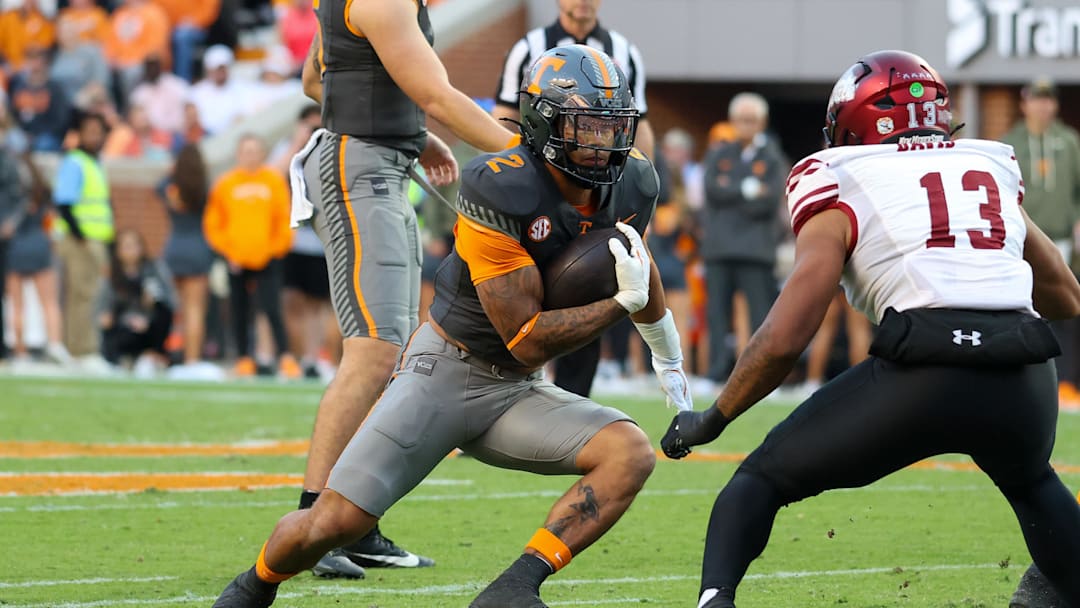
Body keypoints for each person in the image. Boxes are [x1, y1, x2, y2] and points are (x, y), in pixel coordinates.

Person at [212, 44, 691, 608]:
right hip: (443, 372)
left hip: (518, 391)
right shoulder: (498, 185)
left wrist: (671, 361)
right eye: (584, 126)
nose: (600, 142)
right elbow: (527, 334)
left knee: (629, 453)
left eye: (610, 127)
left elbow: (636, 264)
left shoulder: (633, 182)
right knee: (329, 525)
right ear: (543, 121)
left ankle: (513, 590)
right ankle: (254, 585)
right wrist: (618, 304)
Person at [659, 50, 1080, 608]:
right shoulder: (988, 164)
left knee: (757, 481)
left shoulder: (839, 173)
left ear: (853, 125)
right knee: (1032, 483)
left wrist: (715, 417)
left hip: (923, 370)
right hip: (1025, 374)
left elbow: (789, 330)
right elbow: (1065, 296)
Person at [277, 0, 520, 577]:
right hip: (361, 170)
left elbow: (318, 75)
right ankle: (315, 524)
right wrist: (528, 159)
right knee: (375, 351)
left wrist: (409, 130)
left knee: (390, 350)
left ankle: (353, 524)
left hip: (377, 163)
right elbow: (436, 95)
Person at [492, 0, 655, 398]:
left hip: (596, 189)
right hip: (540, 188)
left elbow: (639, 125)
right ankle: (495, 395)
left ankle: (572, 404)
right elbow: (503, 117)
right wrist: (512, 178)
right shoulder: (528, 46)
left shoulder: (623, 50)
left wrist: (639, 182)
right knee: (518, 291)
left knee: (589, 284)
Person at [1001, 78, 1080, 408]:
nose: (1043, 106)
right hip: (1027, 243)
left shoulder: (1070, 141)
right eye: (1037, 100)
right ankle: (1026, 381)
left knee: (1068, 316)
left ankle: (1068, 384)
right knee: (1026, 313)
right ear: (1024, 103)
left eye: (1048, 100)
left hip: (1064, 242)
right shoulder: (1010, 143)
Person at [701, 92, 788, 384]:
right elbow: (712, 191)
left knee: (760, 317)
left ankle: (757, 377)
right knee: (716, 315)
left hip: (756, 250)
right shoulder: (718, 153)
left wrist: (733, 190)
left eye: (751, 120)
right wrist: (749, 189)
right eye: (740, 120)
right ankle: (714, 374)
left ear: (762, 122)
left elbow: (769, 201)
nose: (745, 126)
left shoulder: (773, 157)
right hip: (720, 248)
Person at [203, 134, 297, 378]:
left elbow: (284, 219)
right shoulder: (227, 183)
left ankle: (285, 357)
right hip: (236, 259)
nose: (250, 155)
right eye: (246, 151)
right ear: (238, 154)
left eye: (255, 150)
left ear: (263, 154)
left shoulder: (273, 181)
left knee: (272, 308)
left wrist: (275, 249)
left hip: (268, 258)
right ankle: (244, 358)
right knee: (239, 310)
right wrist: (227, 251)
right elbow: (214, 223)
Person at [53, 110, 115, 369]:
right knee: (82, 295)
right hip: (81, 240)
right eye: (90, 132)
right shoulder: (75, 161)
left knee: (88, 295)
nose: (95, 137)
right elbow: (64, 203)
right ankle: (81, 351)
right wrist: (82, 237)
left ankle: (79, 349)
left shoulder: (93, 162)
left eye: (98, 132)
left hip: (94, 238)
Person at [4, 149, 72, 366]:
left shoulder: (13, 193)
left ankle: (20, 351)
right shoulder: (43, 192)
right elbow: (54, 224)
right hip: (40, 246)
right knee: (50, 303)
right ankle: (54, 345)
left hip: (17, 247)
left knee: (17, 304)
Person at [158, 143, 218, 379]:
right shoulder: (204, 186)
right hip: (198, 247)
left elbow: (157, 187)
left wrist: (172, 170)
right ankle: (192, 360)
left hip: (173, 248)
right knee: (195, 310)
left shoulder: (171, 187)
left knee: (179, 309)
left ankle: (179, 356)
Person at [98, 229, 175, 376]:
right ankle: (119, 359)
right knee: (111, 322)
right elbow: (104, 309)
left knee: (163, 311)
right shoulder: (113, 275)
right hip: (123, 327)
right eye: (126, 246)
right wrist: (125, 319)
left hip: (148, 325)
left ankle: (152, 355)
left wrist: (148, 311)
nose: (131, 251)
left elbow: (169, 301)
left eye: (134, 246)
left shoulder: (153, 270)